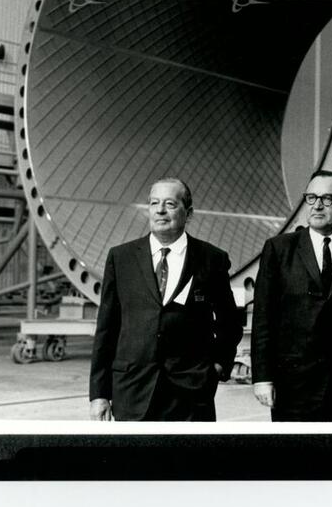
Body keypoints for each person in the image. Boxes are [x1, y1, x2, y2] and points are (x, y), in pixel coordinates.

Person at [88, 178, 242, 421]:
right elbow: (106, 328)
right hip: (132, 391)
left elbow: (230, 322)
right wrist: (99, 394)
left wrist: (217, 367)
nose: (160, 210)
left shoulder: (211, 259)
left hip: (191, 394)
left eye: (170, 204)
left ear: (188, 213)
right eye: (154, 203)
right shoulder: (121, 258)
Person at [250, 170, 332, 421]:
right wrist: (263, 377)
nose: (317, 205)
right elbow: (263, 318)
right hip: (292, 385)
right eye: (311, 198)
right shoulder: (279, 248)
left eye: (327, 199)